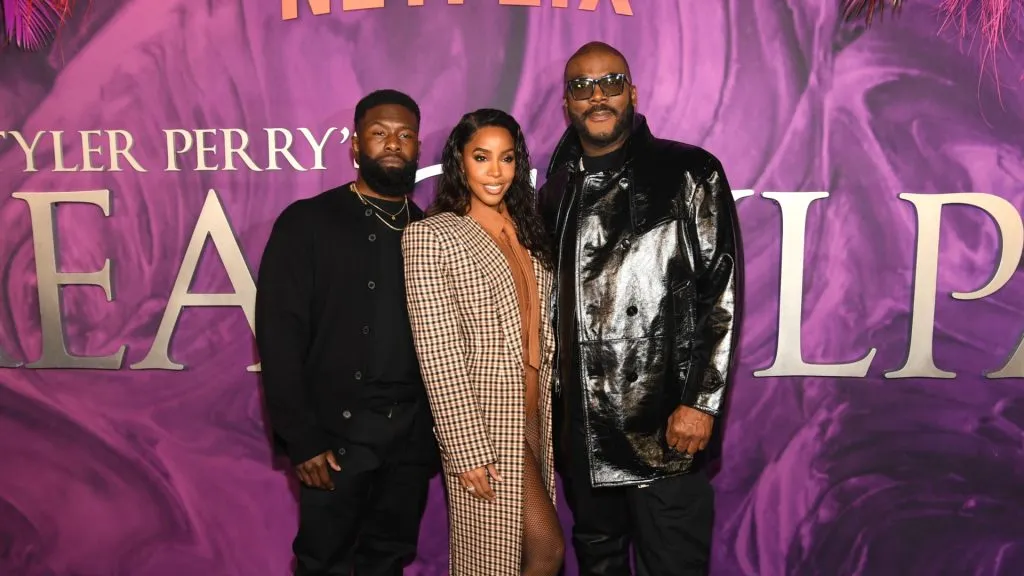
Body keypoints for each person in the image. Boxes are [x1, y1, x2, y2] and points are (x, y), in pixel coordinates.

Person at [537, 42, 743, 575]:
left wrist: (701, 401)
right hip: (583, 430)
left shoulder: (690, 171)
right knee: (598, 562)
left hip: (664, 425)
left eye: (610, 81)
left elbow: (719, 292)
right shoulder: (553, 187)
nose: (597, 95)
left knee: (673, 564)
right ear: (567, 104)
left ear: (632, 92)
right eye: (582, 86)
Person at [255, 89, 440, 576]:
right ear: (355, 146)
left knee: (389, 560)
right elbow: (278, 338)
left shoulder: (431, 232)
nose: (393, 145)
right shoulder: (307, 223)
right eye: (379, 134)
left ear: (419, 149)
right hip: (335, 441)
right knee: (324, 563)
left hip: (409, 442)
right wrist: (303, 439)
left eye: (405, 136)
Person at [402, 108, 564, 576]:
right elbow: (438, 353)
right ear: (459, 160)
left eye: (507, 158)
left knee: (518, 558)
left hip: (534, 413)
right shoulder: (432, 236)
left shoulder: (529, 232)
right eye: (481, 157)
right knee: (539, 550)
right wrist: (465, 447)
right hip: (484, 420)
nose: (496, 172)